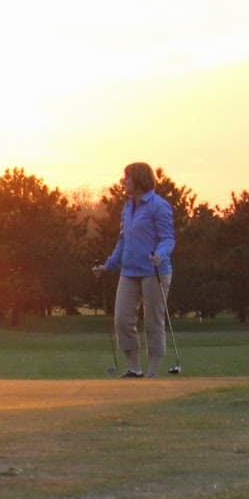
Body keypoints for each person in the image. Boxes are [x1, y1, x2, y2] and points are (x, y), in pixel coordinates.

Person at [95, 162, 175, 378]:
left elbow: (168, 238)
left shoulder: (159, 206)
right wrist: (108, 265)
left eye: (127, 178)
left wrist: (160, 254)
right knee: (121, 319)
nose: (124, 182)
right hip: (129, 271)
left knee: (153, 321)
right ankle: (134, 368)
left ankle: (152, 371)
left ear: (139, 180)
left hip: (155, 270)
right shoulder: (128, 207)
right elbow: (123, 241)